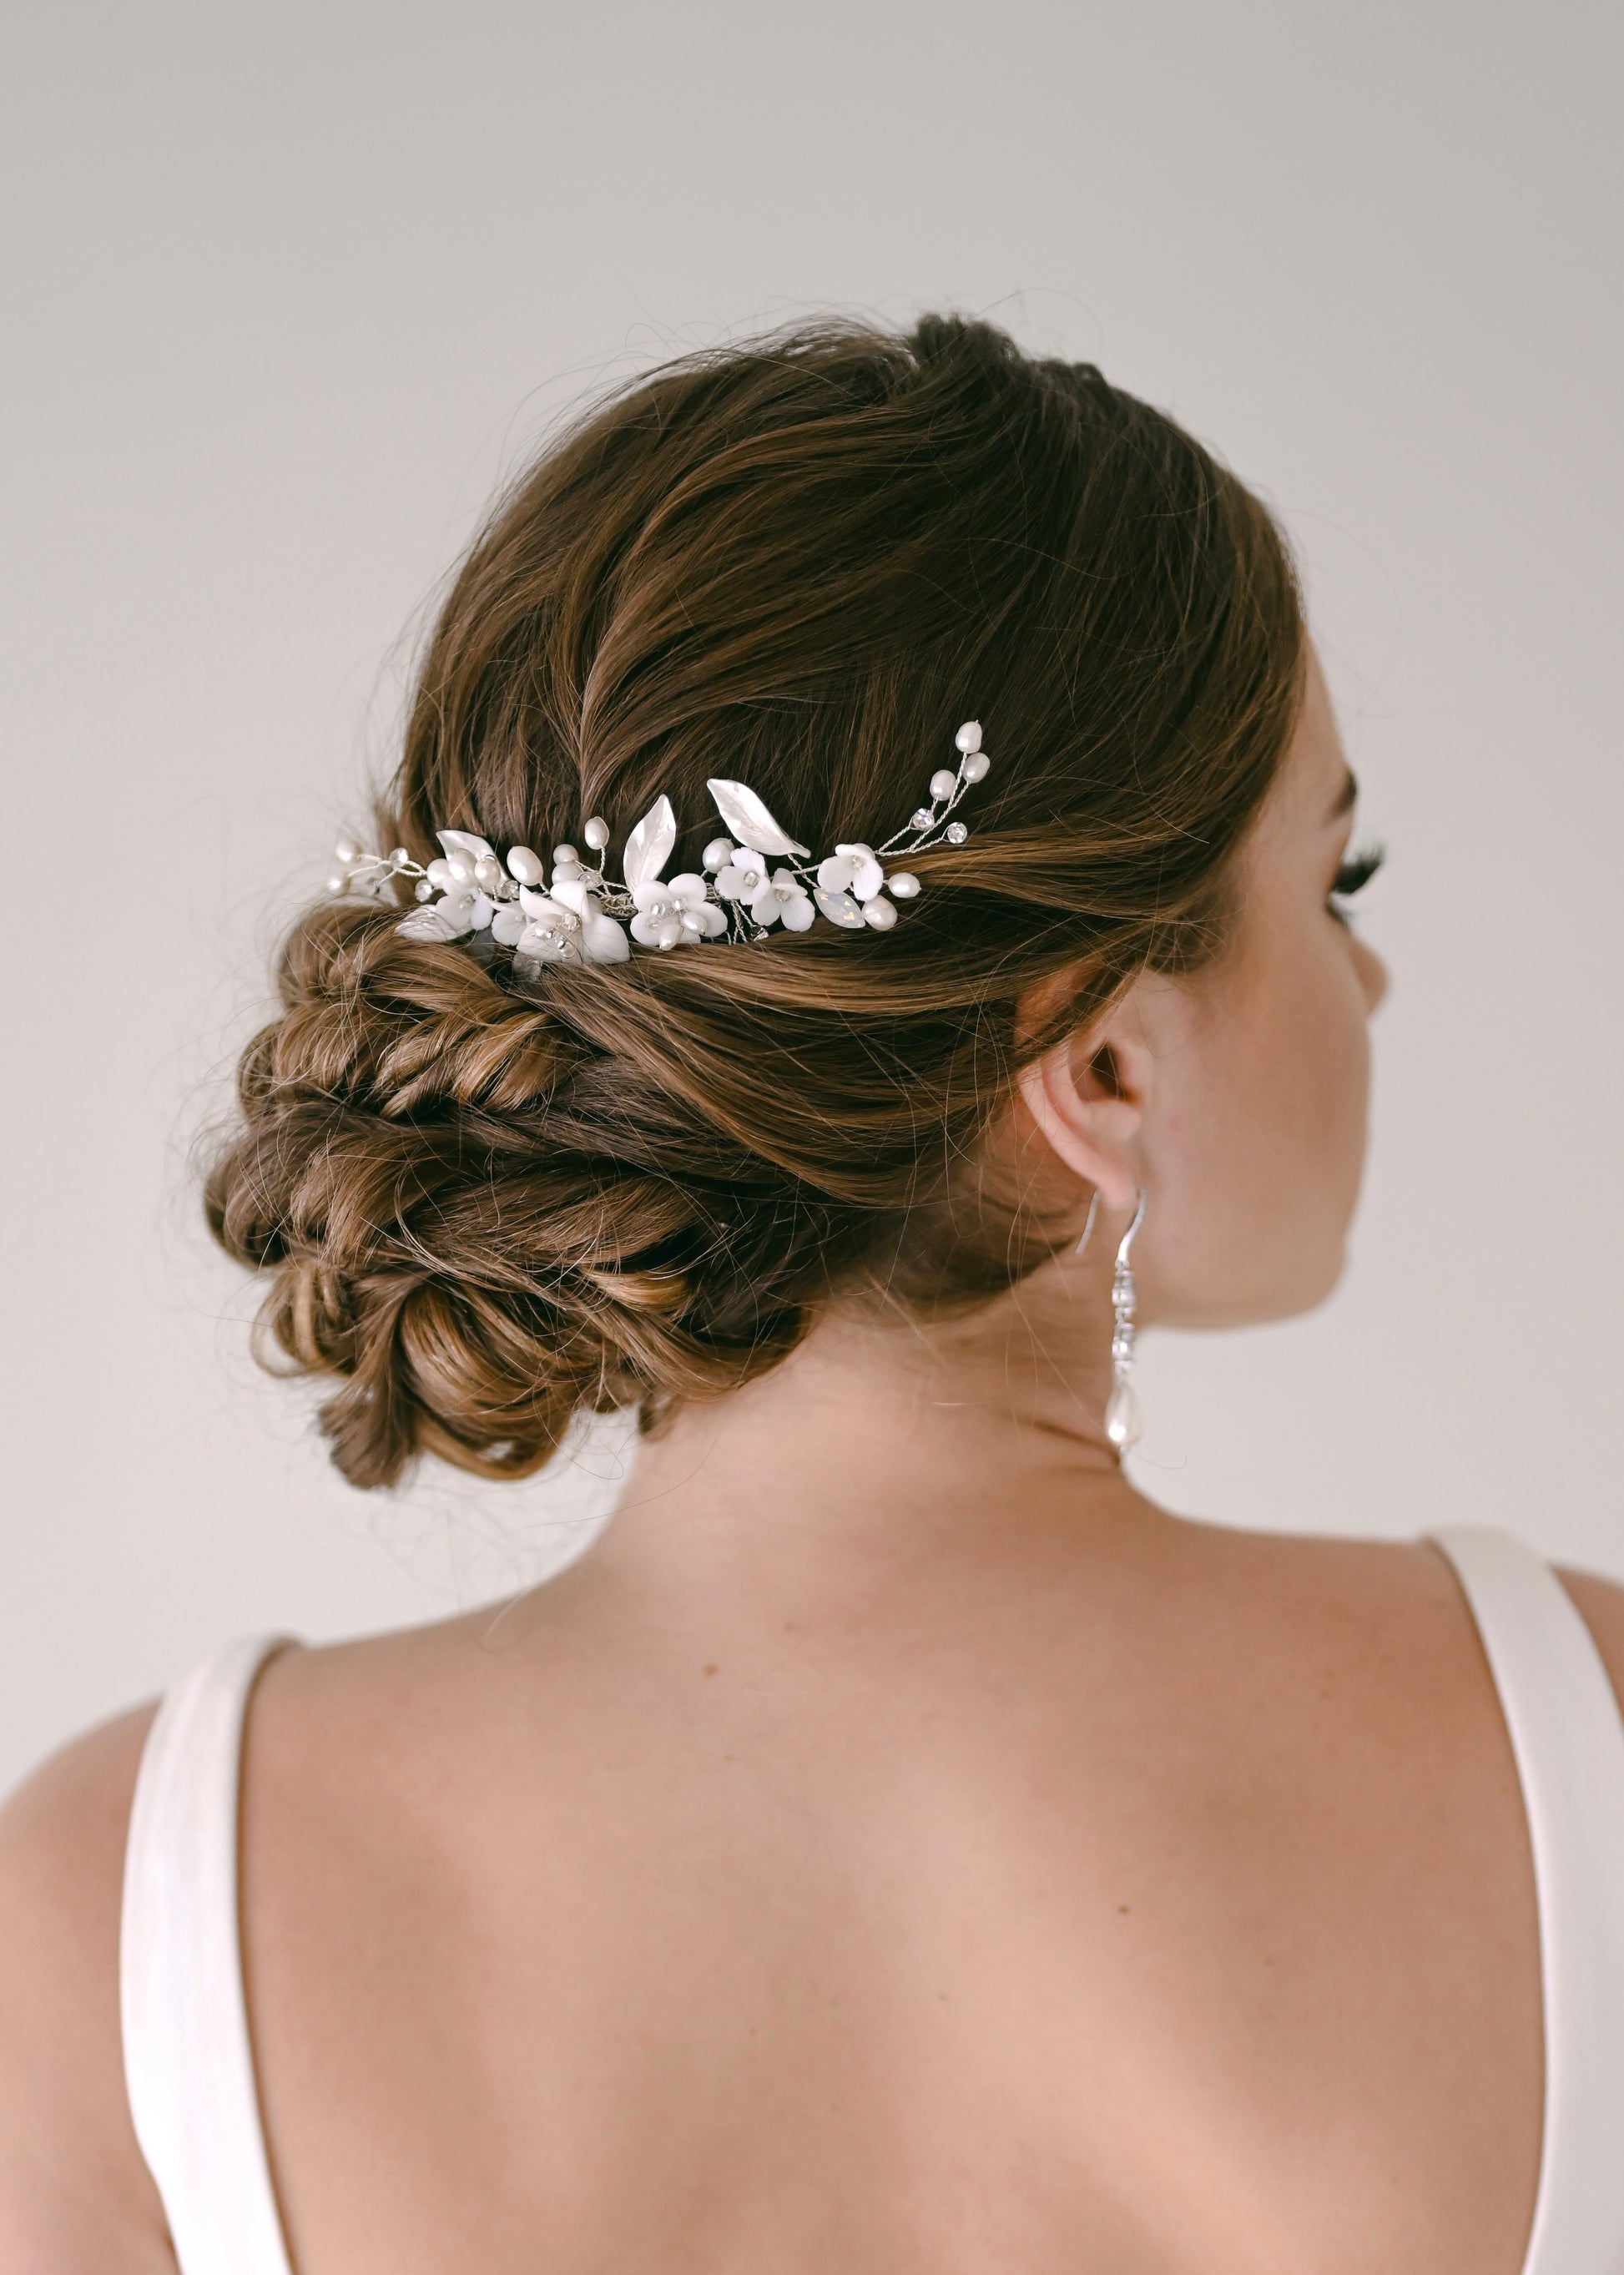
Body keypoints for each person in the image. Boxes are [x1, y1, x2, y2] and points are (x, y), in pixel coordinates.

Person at [2, 315, 1620, 2275]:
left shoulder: (121, 1907)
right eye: (1332, 879)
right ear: (1100, 1066)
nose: (1365, 982)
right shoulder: (1581, 1748)